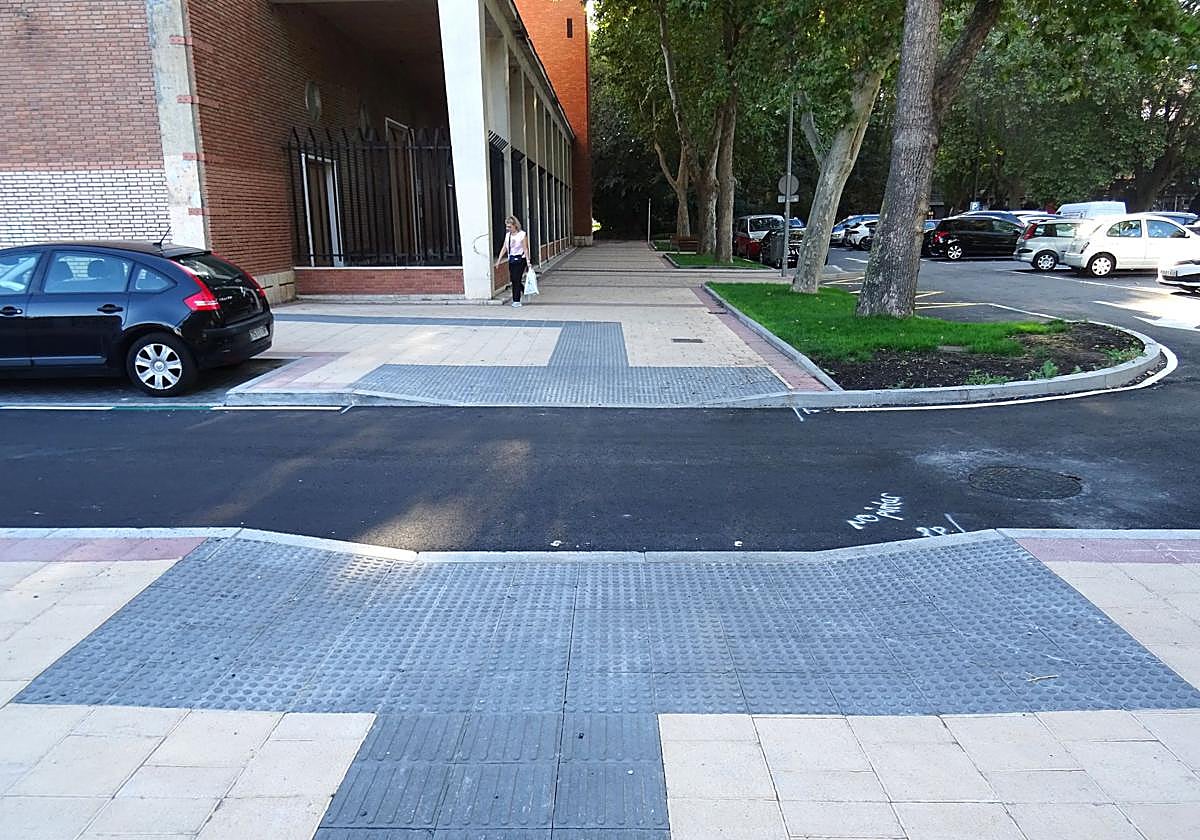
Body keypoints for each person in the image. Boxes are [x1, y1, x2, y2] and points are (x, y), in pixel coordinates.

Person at [496, 216, 529, 307]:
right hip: (512, 259)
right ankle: (524, 290)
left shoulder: (522, 234)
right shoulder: (508, 236)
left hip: (521, 259)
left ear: (515, 225)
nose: (508, 229)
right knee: (514, 279)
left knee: (516, 279)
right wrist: (499, 260)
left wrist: (528, 261)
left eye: (509, 227)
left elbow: (525, 249)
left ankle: (516, 300)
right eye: (507, 227)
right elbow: (504, 248)